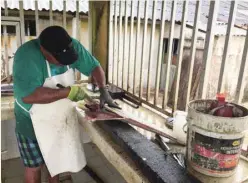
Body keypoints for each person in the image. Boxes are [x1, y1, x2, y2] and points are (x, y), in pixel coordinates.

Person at [13, 26, 120, 183]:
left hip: (57, 118)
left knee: (55, 161)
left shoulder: (71, 46)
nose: (63, 64)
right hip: (31, 121)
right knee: (34, 167)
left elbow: (94, 66)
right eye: (59, 60)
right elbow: (29, 96)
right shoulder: (26, 56)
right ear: (44, 50)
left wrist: (104, 89)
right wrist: (68, 92)